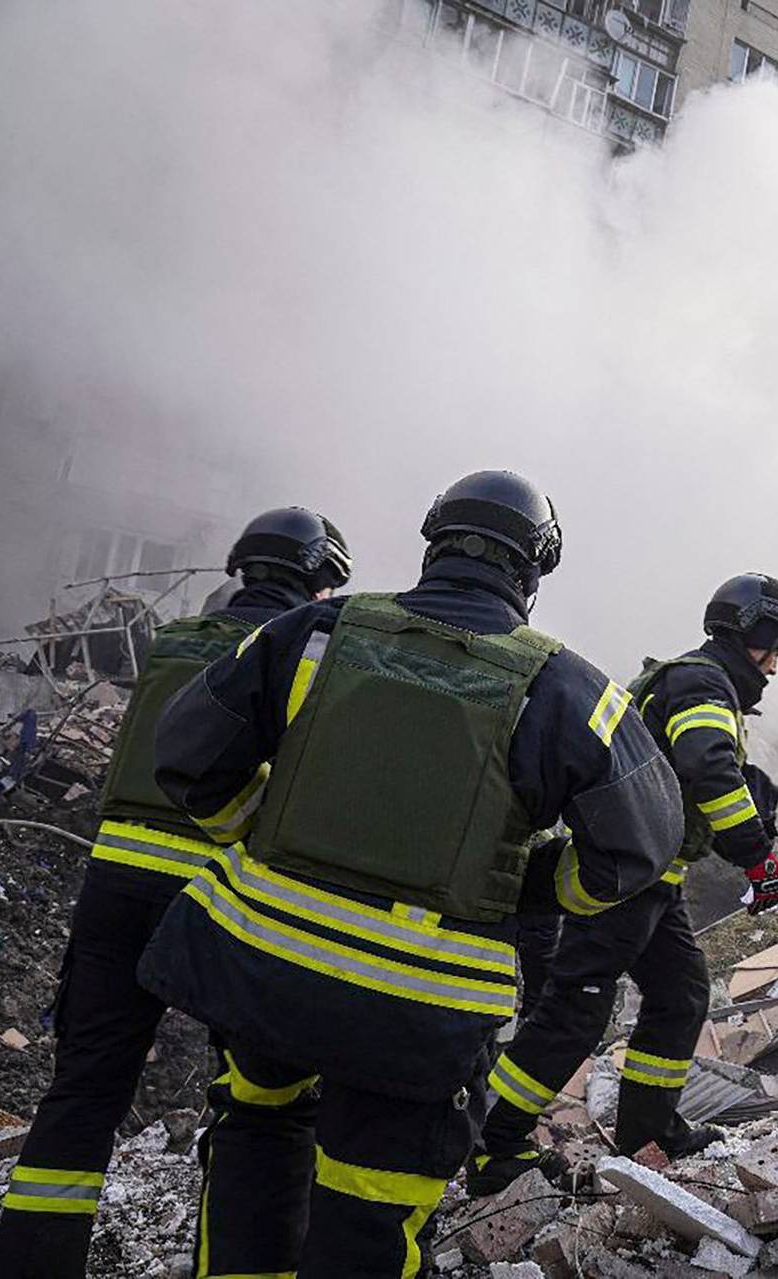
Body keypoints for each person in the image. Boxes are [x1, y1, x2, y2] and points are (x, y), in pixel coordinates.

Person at [136, 471, 683, 1278]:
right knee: (370, 1203)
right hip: (418, 1009)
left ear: (433, 547)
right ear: (532, 574)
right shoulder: (567, 688)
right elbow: (642, 844)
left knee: (256, 1133)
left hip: (268, 974)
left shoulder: (311, 634)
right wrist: (537, 885)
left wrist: (261, 828)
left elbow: (186, 755)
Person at [0, 509, 351, 1279]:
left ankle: (30, 1265)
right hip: (226, 892)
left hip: (116, 881)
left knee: (84, 1088)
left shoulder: (175, 641)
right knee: (259, 1104)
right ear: (319, 582)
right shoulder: (305, 656)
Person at [470, 573, 778, 1192]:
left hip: (652, 878)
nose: (776, 663)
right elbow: (708, 767)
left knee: (681, 995)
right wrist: (757, 858)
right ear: (746, 631)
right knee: (577, 1010)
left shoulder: (698, 681)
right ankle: (493, 1140)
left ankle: (648, 1133)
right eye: (774, 643)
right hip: (623, 874)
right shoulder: (702, 683)